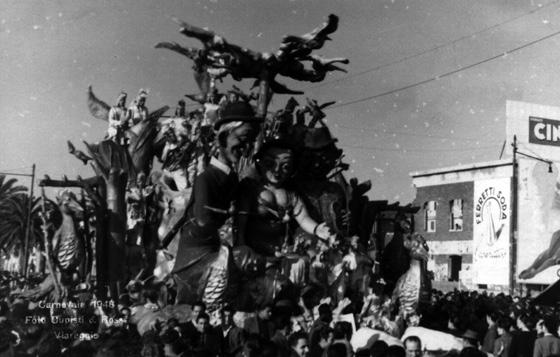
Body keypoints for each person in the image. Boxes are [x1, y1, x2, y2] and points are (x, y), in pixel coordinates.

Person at [171, 96, 261, 304]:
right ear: (223, 138)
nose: (245, 147)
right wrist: (229, 219)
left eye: (249, 141)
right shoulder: (206, 178)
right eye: (242, 138)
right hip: (197, 253)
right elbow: (203, 220)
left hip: (216, 245)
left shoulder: (232, 179)